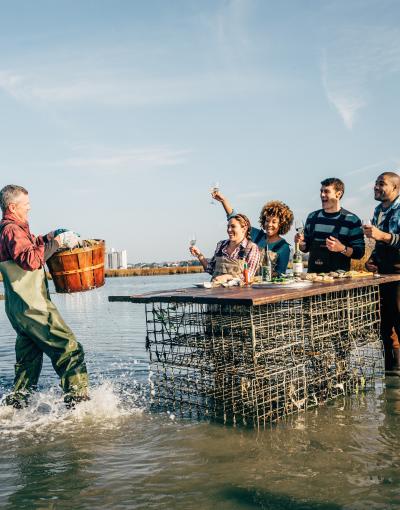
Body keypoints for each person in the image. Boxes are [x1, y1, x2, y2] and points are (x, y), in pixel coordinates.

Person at [0, 185, 89, 408]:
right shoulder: (11, 230)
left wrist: (51, 236)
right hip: (34, 307)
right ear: (12, 206)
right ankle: (80, 406)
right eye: (26, 206)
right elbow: (30, 259)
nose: (29, 209)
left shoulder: (12, 230)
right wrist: (58, 244)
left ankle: (15, 409)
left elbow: (31, 246)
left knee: (28, 362)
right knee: (69, 348)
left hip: (18, 310)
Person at [363, 171, 400, 371]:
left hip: (399, 274)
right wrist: (372, 260)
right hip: (383, 274)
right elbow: (379, 245)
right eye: (376, 183)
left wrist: (382, 235)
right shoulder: (378, 210)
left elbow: (389, 238)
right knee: (384, 324)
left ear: (395, 187)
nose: (376, 187)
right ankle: (392, 371)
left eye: (381, 183)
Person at [212, 192, 293, 276]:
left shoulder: (284, 247)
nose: (269, 224)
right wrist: (223, 201)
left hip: (266, 286)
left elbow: (280, 273)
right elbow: (236, 219)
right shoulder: (256, 235)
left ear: (282, 224)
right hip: (246, 284)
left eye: (274, 222)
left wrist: (262, 276)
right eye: (267, 221)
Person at [294, 177, 365, 273]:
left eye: (326, 191)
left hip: (338, 282)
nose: (322, 195)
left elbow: (359, 253)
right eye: (321, 191)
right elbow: (305, 248)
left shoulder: (352, 220)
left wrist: (342, 248)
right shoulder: (312, 217)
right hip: (312, 279)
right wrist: (300, 243)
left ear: (338, 194)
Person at [190, 213, 260, 283]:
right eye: (228, 226)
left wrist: (227, 277)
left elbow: (249, 276)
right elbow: (211, 269)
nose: (229, 230)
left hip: (238, 293)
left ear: (244, 229)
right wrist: (199, 255)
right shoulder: (221, 245)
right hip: (216, 291)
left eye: (233, 226)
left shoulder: (252, 248)